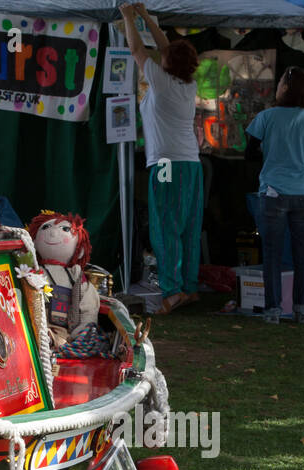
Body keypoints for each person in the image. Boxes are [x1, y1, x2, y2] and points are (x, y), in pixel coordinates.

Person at [120, 3, 202, 316]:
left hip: (166, 164)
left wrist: (129, 16)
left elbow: (136, 48)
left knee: (165, 226)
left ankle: (170, 292)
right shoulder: (186, 84)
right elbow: (167, 48)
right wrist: (145, 17)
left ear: (167, 63)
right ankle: (189, 287)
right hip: (191, 166)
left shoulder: (161, 81)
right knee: (189, 227)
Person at [245, 67, 304, 325]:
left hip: (273, 192)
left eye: (280, 82)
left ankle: (273, 311)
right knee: (302, 254)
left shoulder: (266, 117)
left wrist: (271, 155)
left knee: (272, 254)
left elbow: (249, 153)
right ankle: (303, 310)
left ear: (285, 88)